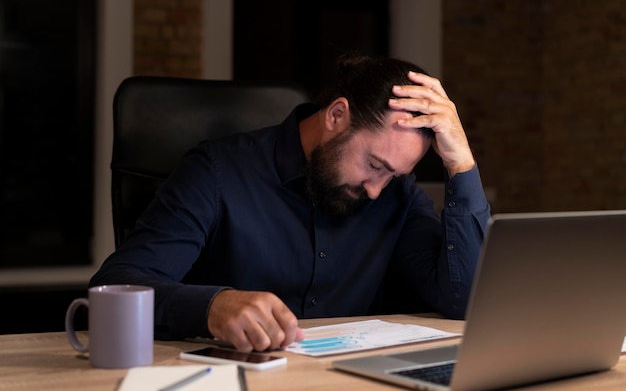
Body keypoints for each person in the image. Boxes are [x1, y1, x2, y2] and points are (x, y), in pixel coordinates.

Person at [90, 54, 491, 352]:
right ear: (336, 115)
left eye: (393, 175)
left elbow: (464, 299)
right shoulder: (217, 172)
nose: (375, 191)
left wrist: (462, 163)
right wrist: (212, 306)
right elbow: (113, 291)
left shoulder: (394, 192)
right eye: (374, 165)